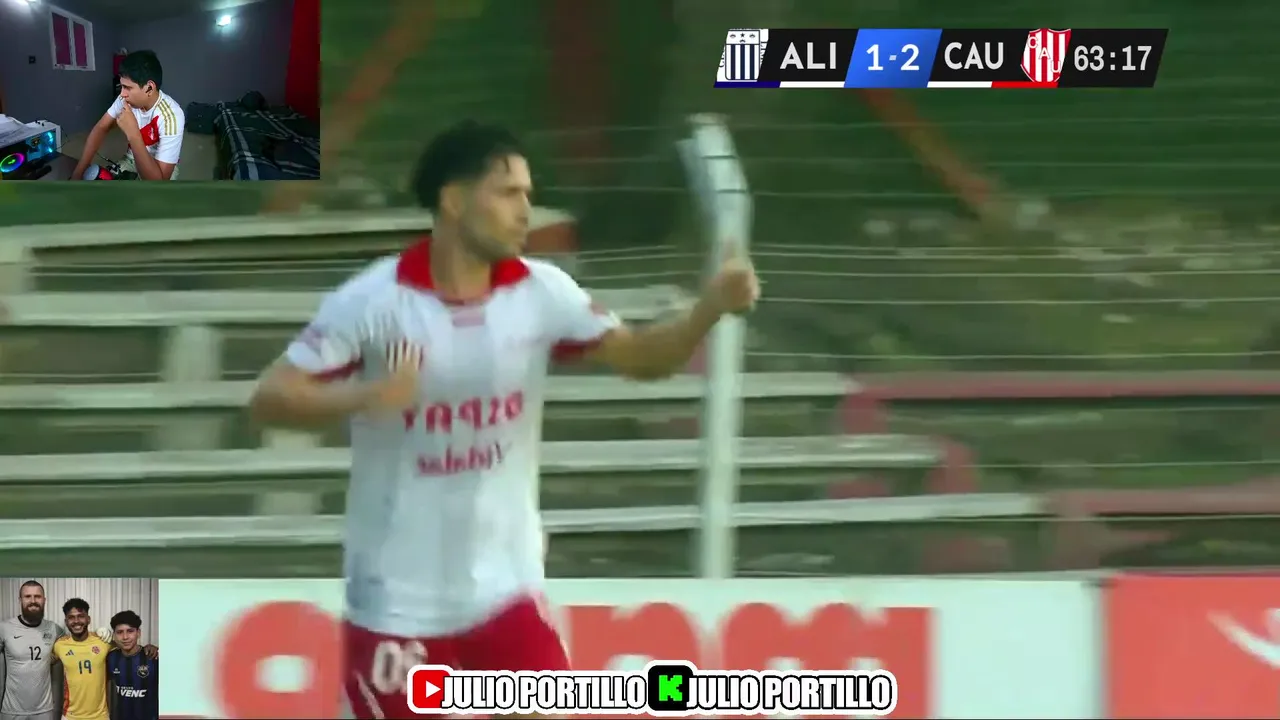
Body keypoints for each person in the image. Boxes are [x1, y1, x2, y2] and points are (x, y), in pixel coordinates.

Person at [249, 120, 758, 720]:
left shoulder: (543, 293)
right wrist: (366, 396)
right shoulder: (374, 301)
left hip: (505, 593)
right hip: (396, 608)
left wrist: (708, 309)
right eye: (508, 193)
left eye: (528, 194)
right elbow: (271, 398)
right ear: (454, 200)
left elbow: (641, 358)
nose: (525, 211)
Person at [71, 50, 184, 181]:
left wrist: (133, 133)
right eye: (122, 87)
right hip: (131, 159)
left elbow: (158, 182)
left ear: (149, 88)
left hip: (158, 167)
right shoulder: (124, 99)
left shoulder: (172, 116)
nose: (122, 94)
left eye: (128, 88)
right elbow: (101, 127)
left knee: (154, 193)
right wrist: (78, 172)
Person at [0, 581, 64, 720]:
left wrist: (99, 634)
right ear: (20, 600)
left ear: (44, 600)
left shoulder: (54, 629)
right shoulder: (4, 628)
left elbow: (74, 643)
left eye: (37, 596)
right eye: (27, 596)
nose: (33, 601)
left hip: (44, 711)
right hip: (11, 710)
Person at [52, 600, 111, 720]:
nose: (76, 621)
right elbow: (44, 659)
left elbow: (127, 647)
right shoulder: (59, 645)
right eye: (71, 617)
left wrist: (147, 648)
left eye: (81, 616)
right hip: (70, 716)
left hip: (101, 716)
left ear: (88, 619)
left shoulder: (104, 642)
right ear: (66, 622)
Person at [105, 612, 155, 720]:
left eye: (130, 631)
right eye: (119, 632)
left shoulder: (153, 657)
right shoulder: (111, 657)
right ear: (114, 635)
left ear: (138, 633)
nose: (125, 637)